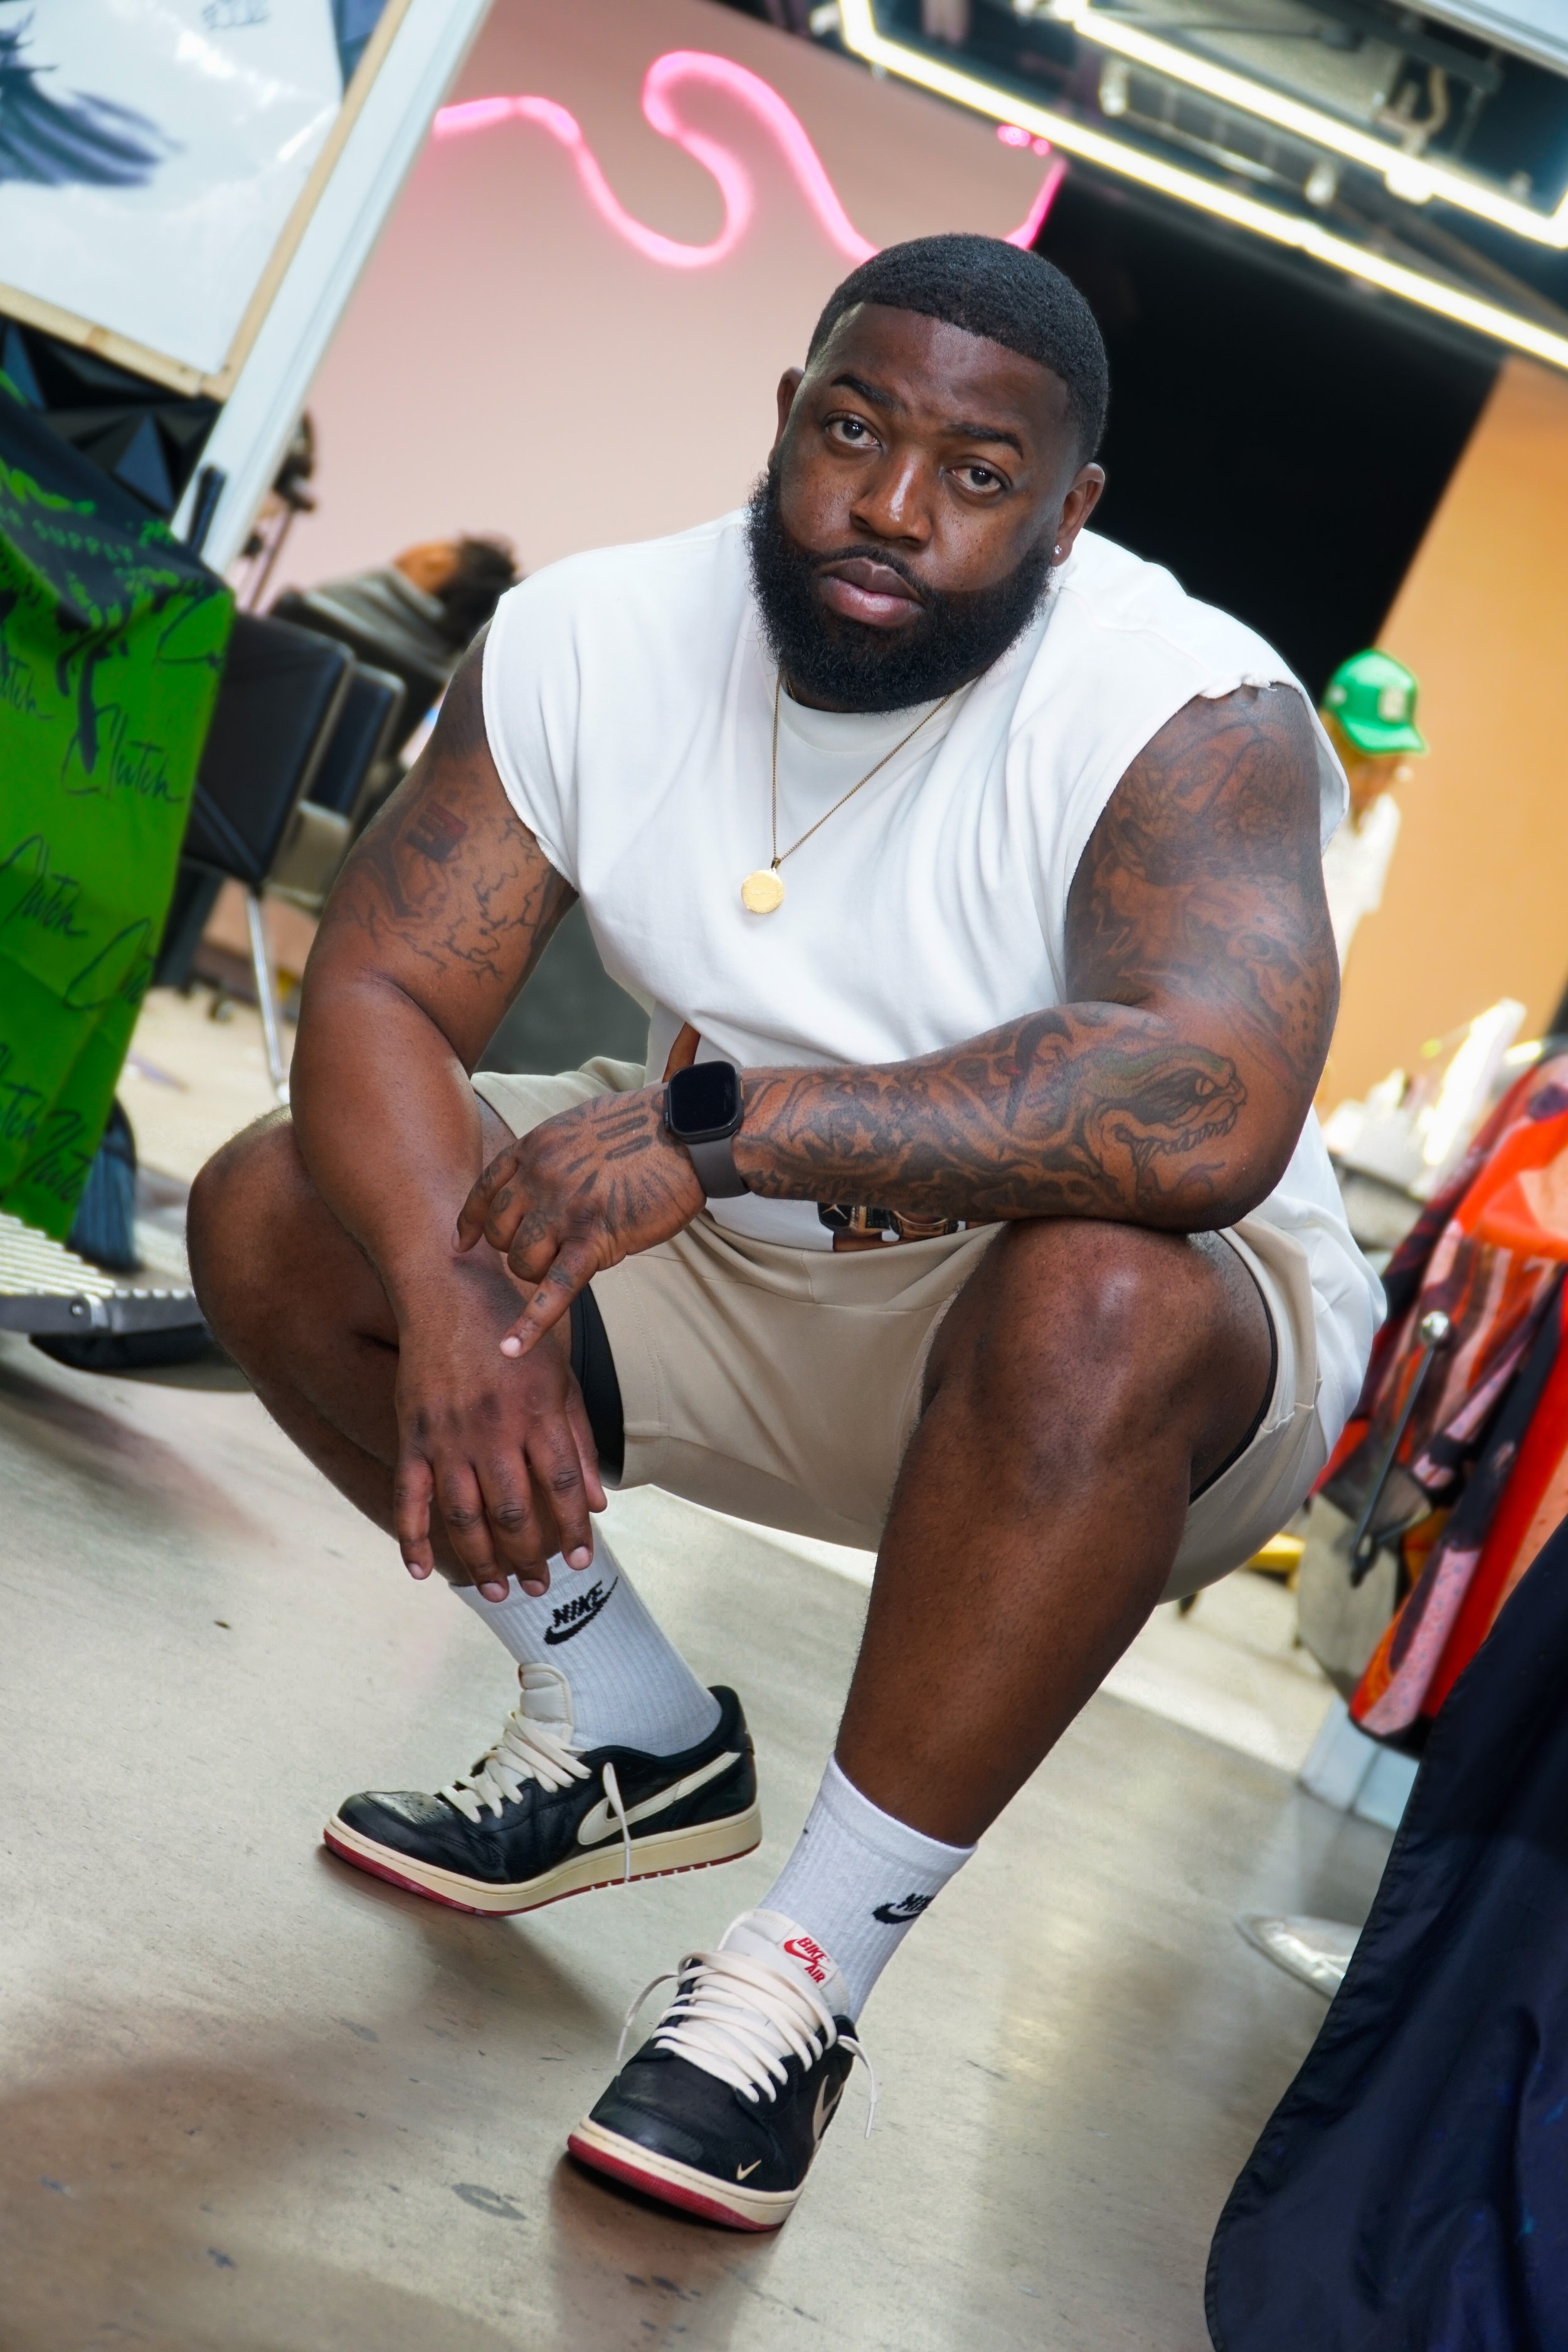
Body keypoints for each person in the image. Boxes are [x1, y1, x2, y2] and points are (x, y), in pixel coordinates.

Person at [188, 235, 1380, 2235]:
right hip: (732, 1254)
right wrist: (450, 1302)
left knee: (1096, 1294)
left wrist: (724, 1127)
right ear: (787, 417)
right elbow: (382, 988)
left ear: (1069, 510)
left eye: (977, 472)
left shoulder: (1185, 707)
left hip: (1115, 1338)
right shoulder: (592, 637)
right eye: (851, 430)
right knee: (276, 1204)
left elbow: (1208, 1105)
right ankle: (621, 1722)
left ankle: (799, 1972)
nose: (891, 509)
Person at [1316, 647, 1426, 968]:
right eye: (1365, 766)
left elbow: (1344, 932)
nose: (1376, 786)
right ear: (1329, 736)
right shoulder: (1289, 794)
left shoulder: (1385, 819)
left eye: (1390, 771)